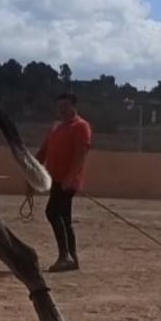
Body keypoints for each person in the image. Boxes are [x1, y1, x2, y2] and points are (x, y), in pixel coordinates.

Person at [31, 92, 92, 272]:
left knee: (52, 212)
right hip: (55, 179)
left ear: (74, 106)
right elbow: (44, 150)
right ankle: (72, 258)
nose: (62, 110)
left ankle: (65, 256)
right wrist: (33, 169)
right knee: (64, 218)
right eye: (59, 107)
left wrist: (71, 177)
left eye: (65, 107)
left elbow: (81, 155)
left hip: (67, 181)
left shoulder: (81, 126)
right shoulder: (56, 127)